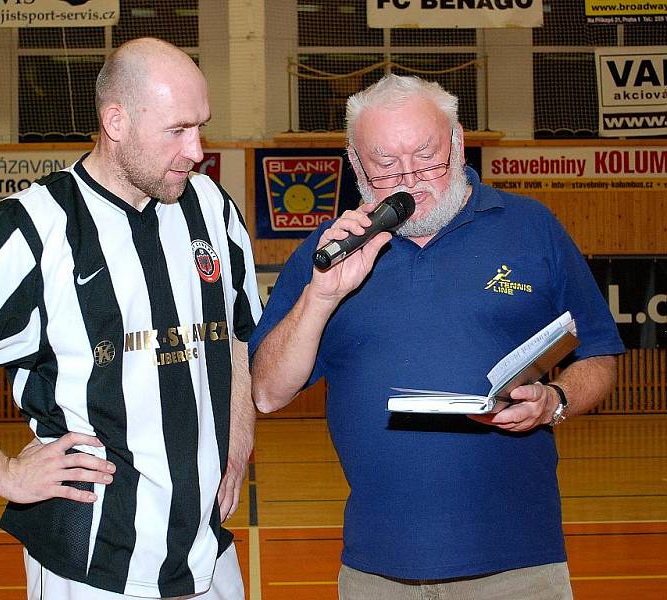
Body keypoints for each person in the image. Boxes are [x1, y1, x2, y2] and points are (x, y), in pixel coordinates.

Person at [0, 38, 261, 600]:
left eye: (201, 126)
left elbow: (240, 334)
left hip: (207, 550)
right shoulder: (33, 228)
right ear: (116, 121)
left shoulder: (211, 207)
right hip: (91, 568)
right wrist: (4, 472)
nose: (197, 150)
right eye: (177, 130)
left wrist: (239, 438)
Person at [249, 74, 624, 599]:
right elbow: (267, 392)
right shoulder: (329, 252)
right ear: (356, 166)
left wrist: (555, 402)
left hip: (519, 571)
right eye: (385, 165)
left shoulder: (532, 228)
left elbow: (601, 355)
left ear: (458, 143)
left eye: (427, 158)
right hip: (376, 572)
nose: (409, 180)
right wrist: (321, 297)